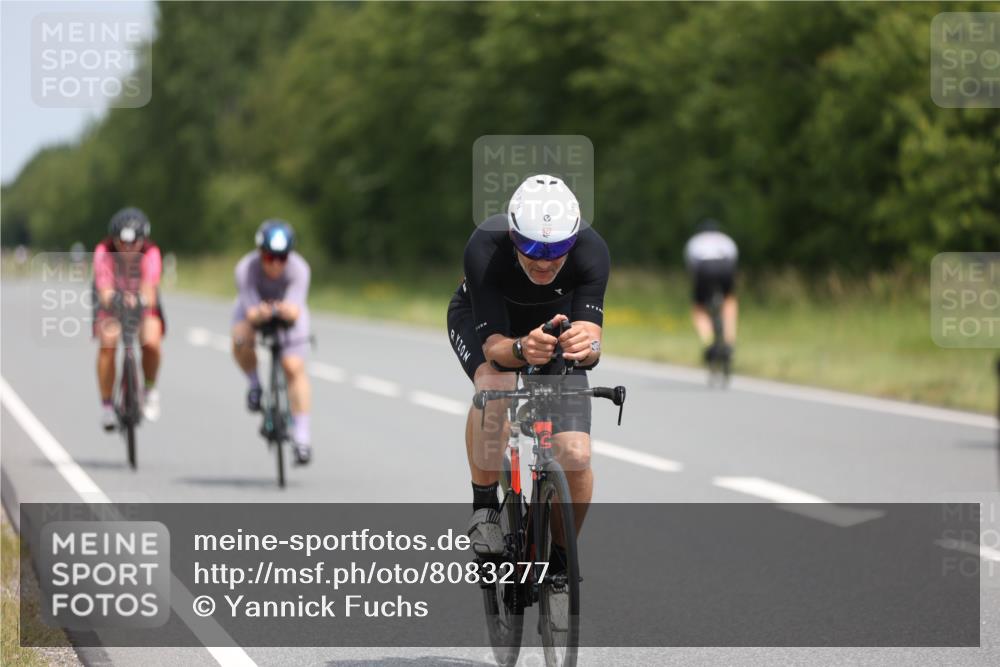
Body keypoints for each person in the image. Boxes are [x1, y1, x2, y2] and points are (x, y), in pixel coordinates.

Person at [447, 175, 610, 561]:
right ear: (513, 234)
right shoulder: (486, 246)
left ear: (574, 238)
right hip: (490, 326)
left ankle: (558, 560)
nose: (543, 260)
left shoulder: (592, 250)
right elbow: (497, 349)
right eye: (532, 246)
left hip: (553, 327)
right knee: (494, 384)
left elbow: (591, 336)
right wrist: (522, 347)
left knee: (576, 453)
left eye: (557, 249)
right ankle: (485, 506)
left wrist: (586, 347)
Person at [231, 220, 313, 464]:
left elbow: (295, 310)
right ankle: (254, 384)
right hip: (255, 310)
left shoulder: (300, 268)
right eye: (269, 257)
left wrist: (283, 311)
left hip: (287, 313)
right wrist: (262, 313)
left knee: (293, 366)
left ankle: (302, 436)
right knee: (240, 336)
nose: (276, 264)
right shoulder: (246, 268)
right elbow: (251, 311)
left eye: (282, 257)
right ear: (260, 253)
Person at [94, 207, 164, 430]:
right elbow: (104, 290)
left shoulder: (152, 252)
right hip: (112, 302)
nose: (127, 248)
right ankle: (106, 405)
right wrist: (115, 299)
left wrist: (140, 299)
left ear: (143, 240)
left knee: (152, 343)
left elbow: (150, 287)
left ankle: (149, 389)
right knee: (107, 344)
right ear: (114, 240)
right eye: (121, 243)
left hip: (141, 301)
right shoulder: (103, 251)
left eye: (134, 243)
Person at [683, 218, 739, 363]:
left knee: (699, 308)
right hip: (725, 266)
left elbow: (691, 268)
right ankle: (728, 342)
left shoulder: (695, 241)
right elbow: (733, 263)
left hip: (703, 268)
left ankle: (709, 343)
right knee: (729, 301)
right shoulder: (725, 239)